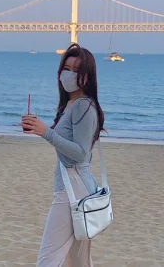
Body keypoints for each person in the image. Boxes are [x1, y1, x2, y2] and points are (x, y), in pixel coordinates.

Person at [21, 43, 105, 267]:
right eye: (66, 69)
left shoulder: (83, 106)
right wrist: (42, 130)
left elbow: (80, 154)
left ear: (87, 76)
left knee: (48, 259)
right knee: (77, 261)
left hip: (73, 189)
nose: (69, 74)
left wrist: (46, 132)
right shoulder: (70, 104)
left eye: (76, 70)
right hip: (74, 186)